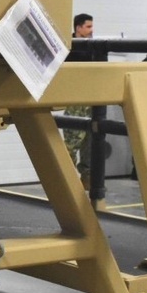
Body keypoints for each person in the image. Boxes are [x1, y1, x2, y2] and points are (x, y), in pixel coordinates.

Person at [63, 13, 94, 187]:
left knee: (90, 140)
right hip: (75, 98)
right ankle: (67, 178)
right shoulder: (70, 45)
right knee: (72, 139)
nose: (92, 30)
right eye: (88, 26)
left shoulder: (93, 46)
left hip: (90, 97)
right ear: (78, 27)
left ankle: (87, 177)